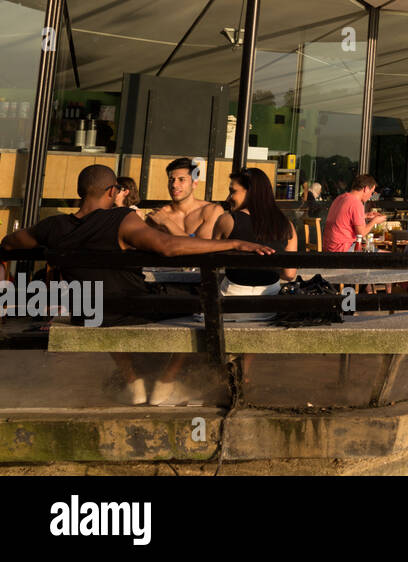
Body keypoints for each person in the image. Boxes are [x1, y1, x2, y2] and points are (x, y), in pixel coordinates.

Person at [0, 164, 272, 405]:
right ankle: (172, 383)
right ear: (111, 191)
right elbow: (167, 246)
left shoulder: (53, 227)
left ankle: (133, 381)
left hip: (89, 313)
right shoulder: (119, 219)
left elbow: (10, 243)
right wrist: (233, 243)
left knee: (103, 304)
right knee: (203, 300)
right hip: (133, 307)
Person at [205, 170, 297, 315]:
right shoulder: (287, 226)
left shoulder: (227, 221)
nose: (228, 198)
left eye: (232, 191)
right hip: (271, 307)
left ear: (250, 193)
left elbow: (210, 264)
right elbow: (289, 274)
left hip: (230, 303)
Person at [146, 157, 225, 236]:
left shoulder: (211, 212)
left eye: (181, 179)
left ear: (194, 183)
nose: (174, 185)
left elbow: (203, 247)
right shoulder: (158, 216)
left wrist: (167, 223)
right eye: (171, 180)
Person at [323, 173, 386, 252]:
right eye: (371, 192)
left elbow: (344, 218)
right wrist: (374, 221)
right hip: (342, 249)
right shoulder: (356, 203)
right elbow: (361, 233)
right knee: (384, 254)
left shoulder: (341, 198)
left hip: (329, 247)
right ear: (366, 189)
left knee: (374, 249)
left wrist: (365, 216)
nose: (371, 196)